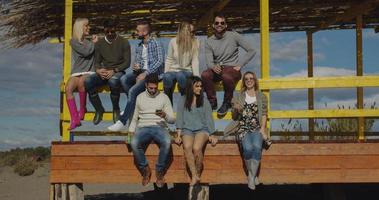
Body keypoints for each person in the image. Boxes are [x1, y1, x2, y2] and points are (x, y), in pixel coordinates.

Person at [108, 20, 165, 131]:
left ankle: (122, 121)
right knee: (124, 79)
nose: (136, 32)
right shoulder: (139, 46)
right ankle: (133, 105)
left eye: (138, 30)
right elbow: (139, 62)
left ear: (145, 32)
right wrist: (136, 67)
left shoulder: (156, 43)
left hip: (152, 74)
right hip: (141, 72)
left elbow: (160, 61)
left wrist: (145, 73)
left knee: (132, 91)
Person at [201, 13, 256, 117]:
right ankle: (212, 102)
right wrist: (213, 66)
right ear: (213, 25)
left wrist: (240, 64)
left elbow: (251, 50)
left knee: (226, 76)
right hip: (218, 68)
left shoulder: (234, 36)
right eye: (217, 23)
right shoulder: (209, 41)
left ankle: (227, 102)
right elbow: (209, 61)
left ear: (226, 25)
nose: (219, 25)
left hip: (232, 68)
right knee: (205, 75)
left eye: (222, 23)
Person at [225, 71, 270, 190]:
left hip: (257, 128)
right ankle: (253, 175)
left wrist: (262, 129)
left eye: (251, 78)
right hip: (243, 128)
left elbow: (264, 114)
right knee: (248, 148)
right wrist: (236, 109)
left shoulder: (261, 96)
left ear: (255, 80)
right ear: (244, 82)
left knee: (256, 146)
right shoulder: (239, 96)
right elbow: (234, 116)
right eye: (246, 79)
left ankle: (251, 176)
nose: (249, 80)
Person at [129, 73, 175, 187]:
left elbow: (172, 120)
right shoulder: (140, 97)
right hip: (143, 127)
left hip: (160, 127)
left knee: (167, 142)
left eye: (155, 88)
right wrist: (130, 131)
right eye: (151, 88)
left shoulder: (164, 97)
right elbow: (134, 117)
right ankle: (145, 169)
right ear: (145, 85)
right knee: (134, 143)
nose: (153, 90)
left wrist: (165, 115)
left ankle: (159, 171)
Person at [84, 18, 131, 125]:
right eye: (107, 31)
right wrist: (98, 70)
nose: (110, 33)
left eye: (112, 31)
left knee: (113, 81)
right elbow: (97, 61)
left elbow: (127, 63)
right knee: (88, 82)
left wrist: (114, 70)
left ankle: (115, 109)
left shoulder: (124, 42)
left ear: (116, 29)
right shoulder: (99, 43)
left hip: (117, 71)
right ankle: (99, 109)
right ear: (104, 30)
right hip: (103, 72)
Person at [174, 76, 218, 186]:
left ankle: (198, 172)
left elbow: (209, 118)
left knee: (196, 148)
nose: (199, 88)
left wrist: (212, 134)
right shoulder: (183, 100)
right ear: (191, 87)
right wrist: (178, 135)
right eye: (197, 86)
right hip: (187, 129)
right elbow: (180, 118)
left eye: (200, 86)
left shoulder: (204, 100)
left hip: (202, 129)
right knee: (187, 147)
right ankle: (194, 176)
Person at [66, 18, 97, 130]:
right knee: (68, 88)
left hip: (89, 70)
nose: (88, 27)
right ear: (79, 27)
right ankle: (74, 118)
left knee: (81, 83)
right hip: (77, 71)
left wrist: (92, 43)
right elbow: (86, 52)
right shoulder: (73, 41)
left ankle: (82, 108)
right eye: (86, 26)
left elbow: (89, 51)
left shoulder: (89, 43)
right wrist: (93, 44)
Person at [163, 20, 200, 104]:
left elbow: (195, 60)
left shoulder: (195, 42)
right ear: (183, 32)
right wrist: (166, 73)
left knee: (180, 75)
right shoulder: (173, 41)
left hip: (187, 71)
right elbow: (169, 59)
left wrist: (197, 78)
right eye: (190, 32)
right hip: (173, 70)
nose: (193, 34)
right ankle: (168, 105)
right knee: (167, 77)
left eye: (194, 31)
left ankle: (186, 99)